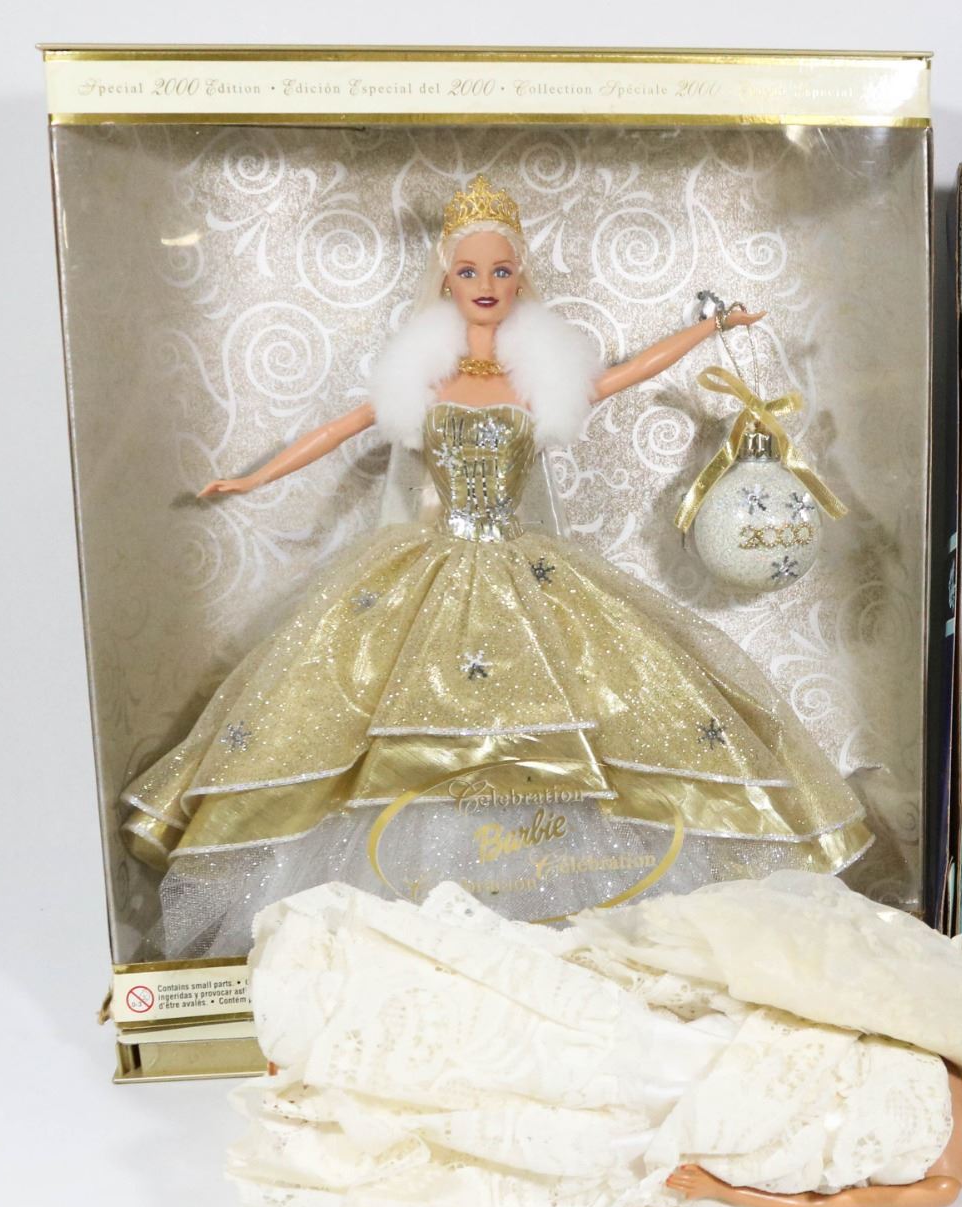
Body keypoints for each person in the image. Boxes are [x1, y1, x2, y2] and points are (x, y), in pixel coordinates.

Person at [119, 176, 870, 958]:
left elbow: (628, 374)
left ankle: (545, 911)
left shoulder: (537, 381)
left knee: (576, 718)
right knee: (393, 725)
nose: (486, 284)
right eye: (470, 270)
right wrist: (250, 479)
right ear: (447, 278)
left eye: (501, 270)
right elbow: (340, 429)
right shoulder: (424, 379)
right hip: (432, 571)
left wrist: (711, 328)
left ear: (519, 279)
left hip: (523, 567)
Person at [226, 874, 962, 1207]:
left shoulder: (947, 1180)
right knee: (561, 1031)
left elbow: (825, 1204)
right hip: (725, 1056)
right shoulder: (951, 1058)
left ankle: (335, 1083)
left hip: (737, 1134)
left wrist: (722, 1188)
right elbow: (842, 1008)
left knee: (556, 1113)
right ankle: (344, 1009)